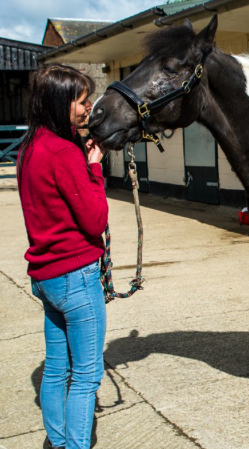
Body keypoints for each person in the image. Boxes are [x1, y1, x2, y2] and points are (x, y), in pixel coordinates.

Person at [17, 64, 107, 449]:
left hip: (46, 277)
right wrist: (95, 168)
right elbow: (95, 220)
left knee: (56, 369)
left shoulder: (30, 147)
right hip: (76, 277)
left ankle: (57, 441)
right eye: (81, 101)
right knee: (86, 375)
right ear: (60, 102)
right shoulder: (62, 153)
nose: (88, 109)